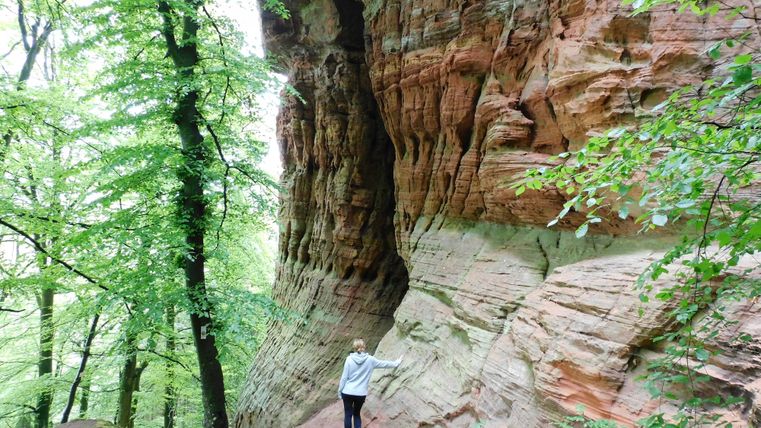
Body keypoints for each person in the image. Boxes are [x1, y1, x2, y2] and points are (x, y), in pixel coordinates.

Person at [338, 338, 402, 428]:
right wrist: (397, 363)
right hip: (361, 393)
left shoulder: (349, 359)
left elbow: (344, 378)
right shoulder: (370, 360)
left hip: (347, 392)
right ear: (364, 347)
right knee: (356, 414)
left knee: (348, 415)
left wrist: (340, 391)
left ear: (354, 347)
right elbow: (384, 364)